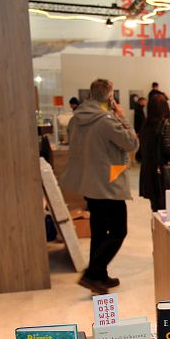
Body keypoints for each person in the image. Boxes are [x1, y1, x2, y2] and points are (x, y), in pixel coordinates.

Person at [60, 78, 139, 294]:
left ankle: (100, 276)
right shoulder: (106, 120)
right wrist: (122, 116)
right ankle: (92, 274)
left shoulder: (76, 119)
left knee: (99, 232)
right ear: (110, 97)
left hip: (89, 184)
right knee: (118, 231)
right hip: (108, 184)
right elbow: (132, 143)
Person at [139, 92, 170, 211]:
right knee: (168, 210)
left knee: (156, 210)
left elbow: (140, 153)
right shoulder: (165, 124)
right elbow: (168, 147)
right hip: (162, 174)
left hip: (148, 173)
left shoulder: (145, 126)